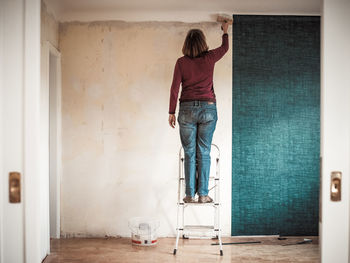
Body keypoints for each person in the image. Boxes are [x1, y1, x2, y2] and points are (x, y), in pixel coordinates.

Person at [168, 21, 230, 203]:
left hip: (186, 110)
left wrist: (171, 111)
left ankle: (189, 194)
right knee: (204, 151)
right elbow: (225, 48)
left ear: (186, 44)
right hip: (208, 109)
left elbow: (174, 89)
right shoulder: (209, 58)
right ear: (203, 43)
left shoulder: (181, 62)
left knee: (189, 152)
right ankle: (203, 194)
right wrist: (225, 30)